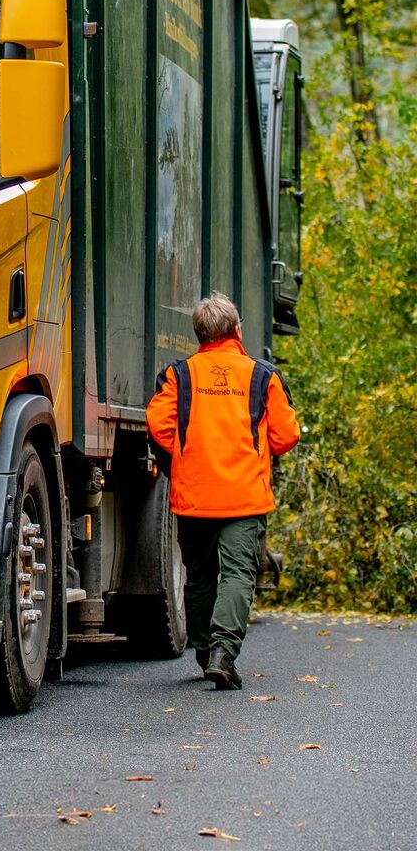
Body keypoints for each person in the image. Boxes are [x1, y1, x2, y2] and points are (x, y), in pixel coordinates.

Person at [145, 293, 300, 690]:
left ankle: (203, 652)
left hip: (194, 494)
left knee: (199, 575)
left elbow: (158, 426)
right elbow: (286, 435)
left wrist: (188, 454)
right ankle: (223, 653)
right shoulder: (262, 375)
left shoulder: (180, 374)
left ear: (199, 333)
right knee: (237, 573)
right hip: (244, 496)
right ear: (236, 330)